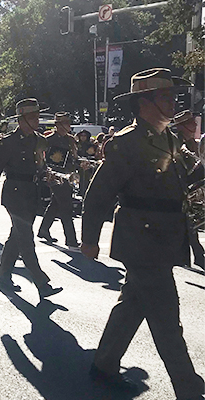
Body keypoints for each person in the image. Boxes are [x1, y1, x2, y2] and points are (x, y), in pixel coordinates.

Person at [81, 68, 205, 399]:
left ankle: (104, 365)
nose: (173, 101)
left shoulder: (172, 138)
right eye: (165, 96)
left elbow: (193, 176)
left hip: (165, 238)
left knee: (132, 305)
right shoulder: (127, 143)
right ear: (144, 103)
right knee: (167, 321)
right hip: (141, 241)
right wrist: (89, 238)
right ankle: (190, 390)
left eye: (172, 95)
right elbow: (98, 194)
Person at [0, 98, 63, 298]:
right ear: (22, 120)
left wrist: (48, 175)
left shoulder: (39, 140)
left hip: (32, 193)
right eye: (32, 117)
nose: (37, 121)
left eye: (37, 116)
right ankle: (41, 283)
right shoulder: (8, 142)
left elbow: (41, 165)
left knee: (16, 237)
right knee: (26, 239)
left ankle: (3, 275)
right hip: (15, 193)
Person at [37, 112, 80, 250]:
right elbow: (41, 157)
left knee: (56, 203)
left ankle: (43, 230)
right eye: (65, 123)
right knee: (66, 206)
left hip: (67, 175)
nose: (68, 125)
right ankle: (71, 239)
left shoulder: (71, 140)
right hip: (54, 176)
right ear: (58, 125)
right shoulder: (48, 139)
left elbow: (74, 158)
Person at [170, 110, 205, 270]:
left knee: (190, 224)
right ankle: (197, 257)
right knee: (188, 224)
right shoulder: (175, 142)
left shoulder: (191, 142)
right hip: (177, 190)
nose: (195, 125)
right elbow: (181, 168)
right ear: (183, 126)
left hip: (189, 190)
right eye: (192, 123)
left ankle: (195, 256)